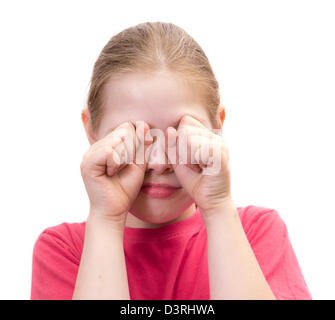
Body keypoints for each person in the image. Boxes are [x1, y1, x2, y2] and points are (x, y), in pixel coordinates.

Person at [30, 21, 312, 300]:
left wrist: (217, 207)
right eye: (134, 137)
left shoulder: (256, 231)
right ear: (91, 131)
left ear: (217, 127)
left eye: (180, 135)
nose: (159, 163)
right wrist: (106, 218)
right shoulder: (63, 250)